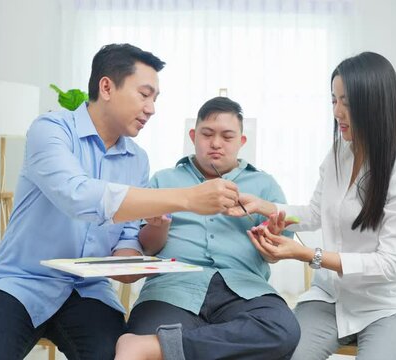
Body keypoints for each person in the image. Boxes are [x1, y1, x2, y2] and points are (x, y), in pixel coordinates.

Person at [0, 44, 239, 360]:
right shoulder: (51, 130)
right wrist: (187, 197)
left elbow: (127, 239)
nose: (151, 108)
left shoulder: (137, 160)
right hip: (20, 283)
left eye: (155, 99)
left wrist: (133, 262)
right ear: (106, 87)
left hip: (88, 292)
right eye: (144, 94)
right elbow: (78, 195)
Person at [235, 52, 396, 360]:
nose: (338, 112)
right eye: (334, 101)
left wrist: (304, 254)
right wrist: (265, 207)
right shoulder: (339, 153)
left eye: (348, 102)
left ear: (376, 104)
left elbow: (391, 263)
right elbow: (316, 213)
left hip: (392, 307)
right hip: (330, 299)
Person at [114, 97, 301, 360]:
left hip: (245, 290)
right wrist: (160, 226)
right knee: (149, 329)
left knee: (283, 330)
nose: (216, 143)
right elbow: (148, 246)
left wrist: (272, 237)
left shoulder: (264, 185)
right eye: (207, 134)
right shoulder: (164, 180)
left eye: (227, 136)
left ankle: (154, 348)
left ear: (241, 142)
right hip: (172, 288)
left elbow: (274, 253)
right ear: (193, 135)